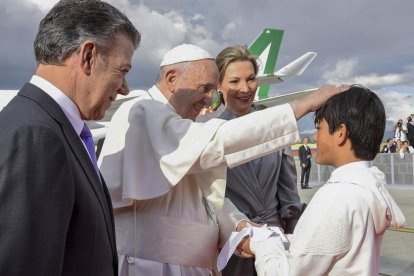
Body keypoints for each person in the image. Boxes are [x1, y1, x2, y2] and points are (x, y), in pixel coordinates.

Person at [98, 43, 348, 276]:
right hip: (149, 266)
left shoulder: (176, 123)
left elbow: (203, 198)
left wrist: (238, 225)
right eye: (204, 88)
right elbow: (217, 141)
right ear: (172, 79)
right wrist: (301, 107)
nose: (210, 99)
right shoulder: (143, 111)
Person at [0, 1, 141, 275]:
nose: (125, 89)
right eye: (122, 71)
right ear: (88, 56)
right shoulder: (37, 136)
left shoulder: (50, 127)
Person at [242, 85, 406, 275]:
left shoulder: (336, 198)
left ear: (340, 133)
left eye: (319, 127)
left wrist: (260, 246)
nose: (314, 136)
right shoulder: (369, 185)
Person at [208, 45, 304, 276]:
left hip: (273, 239)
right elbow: (207, 197)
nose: (245, 88)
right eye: (234, 81)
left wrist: (294, 233)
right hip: (232, 242)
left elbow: (287, 189)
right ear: (219, 86)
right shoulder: (208, 132)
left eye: (251, 79)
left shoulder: (275, 129)